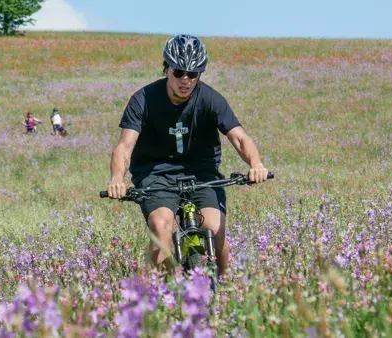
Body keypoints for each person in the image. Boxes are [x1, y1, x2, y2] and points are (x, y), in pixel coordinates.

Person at [105, 34, 269, 276]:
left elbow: (239, 137)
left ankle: (223, 290)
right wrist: (117, 178)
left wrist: (256, 163)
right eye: (179, 72)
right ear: (166, 69)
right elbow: (124, 146)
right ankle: (166, 295)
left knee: (214, 228)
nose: (186, 79)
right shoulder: (143, 99)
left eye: (193, 74)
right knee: (161, 226)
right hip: (155, 174)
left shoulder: (210, 98)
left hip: (202, 173)